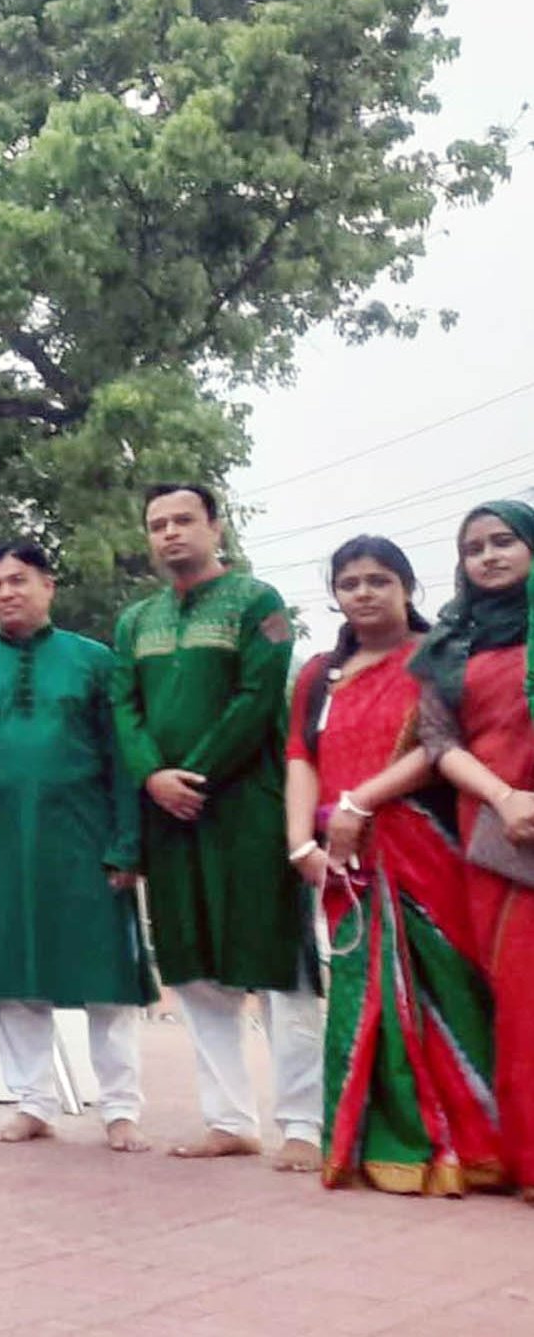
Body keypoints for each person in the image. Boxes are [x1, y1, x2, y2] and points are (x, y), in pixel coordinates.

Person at [112, 483, 321, 1170]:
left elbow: (259, 700)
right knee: (194, 969)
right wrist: (152, 777)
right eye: (157, 524)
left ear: (215, 526)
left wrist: (190, 776)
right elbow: (124, 706)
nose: (170, 533)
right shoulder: (135, 621)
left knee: (277, 967)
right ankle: (229, 1119)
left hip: (245, 810)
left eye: (183, 520)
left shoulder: (258, 604)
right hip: (168, 819)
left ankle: (301, 1124)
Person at [0, 542, 157, 1151]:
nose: (6, 593)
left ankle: (120, 1110)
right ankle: (32, 1102)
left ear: (48, 586)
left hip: (87, 845)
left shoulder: (94, 661)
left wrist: (127, 844)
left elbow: (125, 760)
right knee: (14, 978)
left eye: (18, 581)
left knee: (107, 981)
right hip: (2, 846)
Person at [300, 535, 498, 1194]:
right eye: (349, 582)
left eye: (379, 580)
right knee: (363, 998)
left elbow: (440, 747)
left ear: (407, 587)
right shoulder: (318, 675)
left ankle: (475, 1145)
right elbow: (298, 757)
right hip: (341, 858)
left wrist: (363, 800)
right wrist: (301, 844)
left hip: (416, 842)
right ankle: (382, 1143)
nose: (363, 592)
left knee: (444, 987)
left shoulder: (434, 658)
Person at [412, 501, 534, 1201]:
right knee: (518, 996)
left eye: (504, 541)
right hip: (492, 832)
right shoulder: (450, 645)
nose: (488, 556)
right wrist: (506, 798)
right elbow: (439, 743)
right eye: (473, 547)